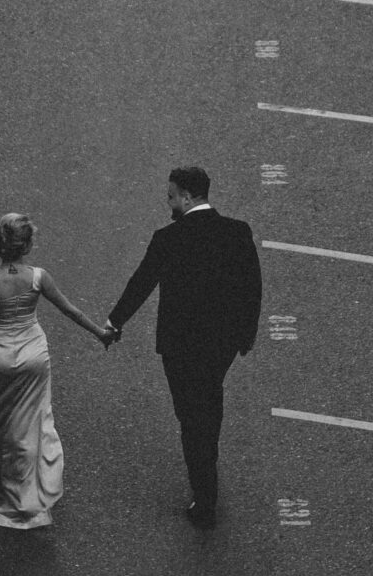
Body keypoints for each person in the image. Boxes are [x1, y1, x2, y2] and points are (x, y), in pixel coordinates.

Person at [104, 166, 262, 529]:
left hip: (181, 346)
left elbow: (141, 283)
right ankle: (209, 459)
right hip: (220, 343)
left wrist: (115, 322)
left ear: (187, 196)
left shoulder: (168, 239)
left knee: (190, 417)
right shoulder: (237, 233)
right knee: (210, 399)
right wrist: (246, 334)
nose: (169, 203)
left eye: (172, 196)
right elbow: (252, 287)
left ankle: (204, 494)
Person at [0, 214, 112, 531]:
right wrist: (100, 333)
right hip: (34, 356)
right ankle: (33, 494)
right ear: (27, 246)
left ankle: (0, 496)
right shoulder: (38, 277)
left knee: (1, 428)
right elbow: (70, 310)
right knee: (33, 425)